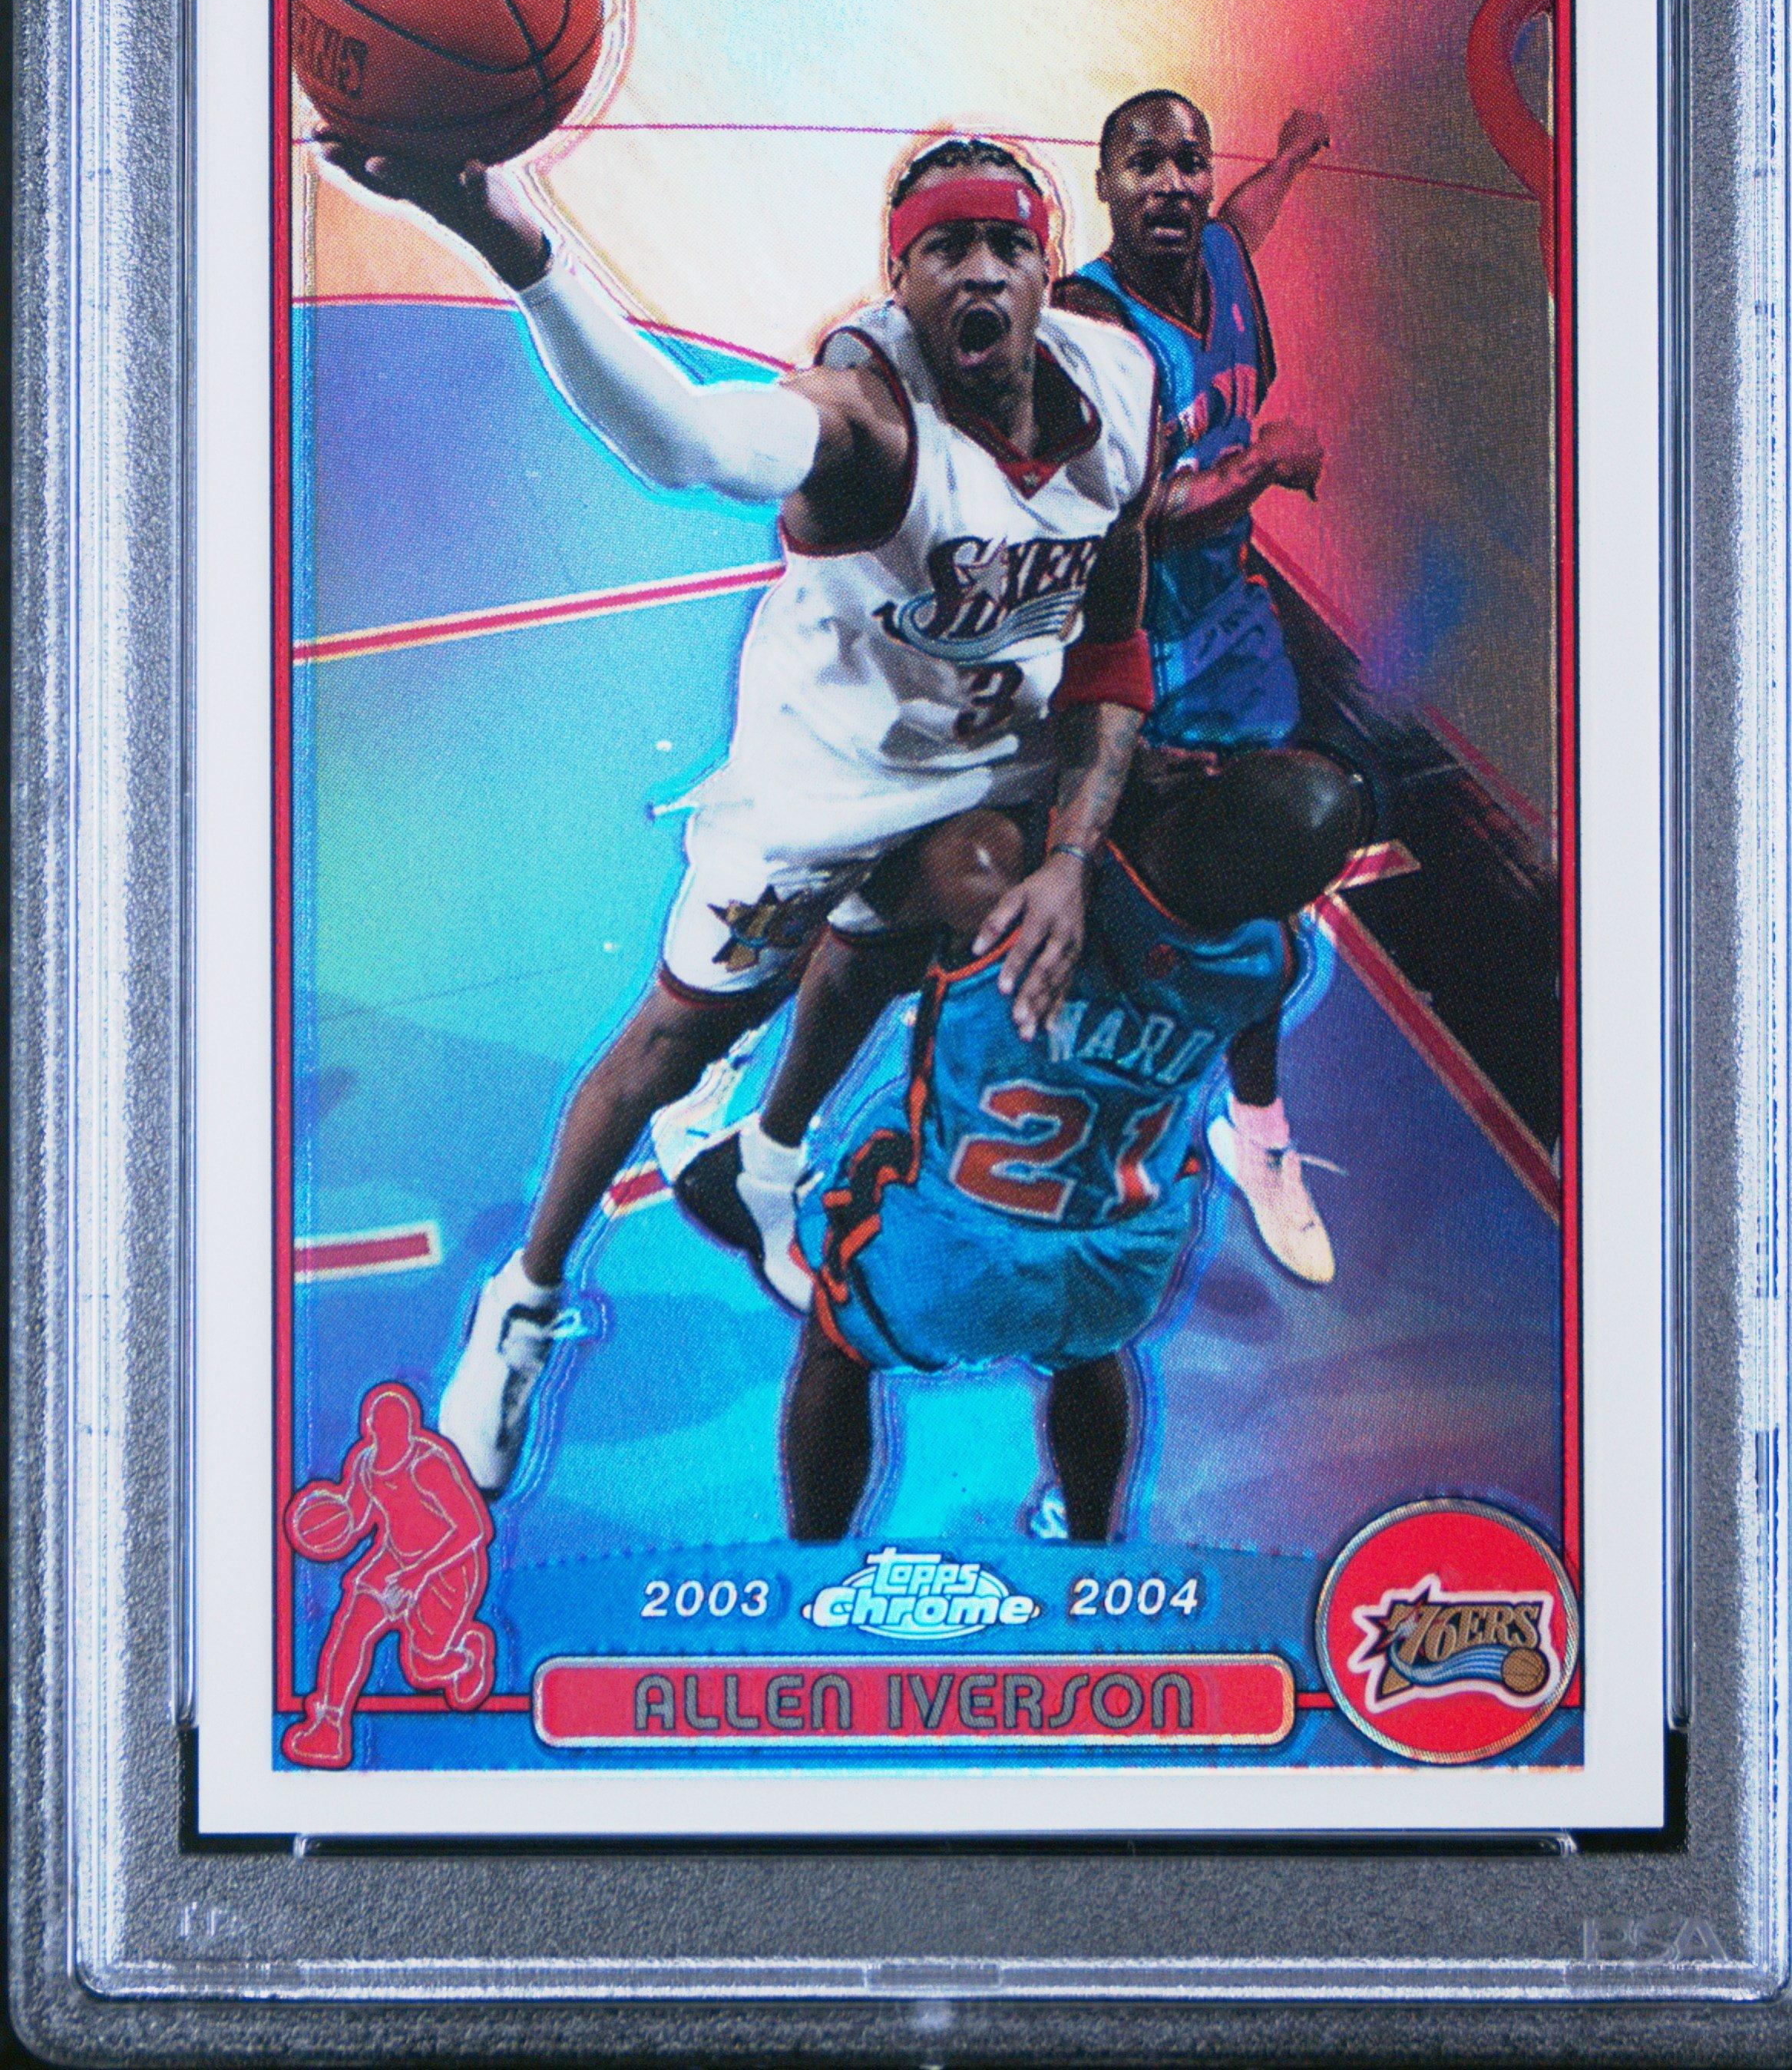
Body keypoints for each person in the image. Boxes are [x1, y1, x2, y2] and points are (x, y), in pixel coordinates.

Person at [316, 131, 1161, 1493]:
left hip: (978, 771)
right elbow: (685, 441)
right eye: (945, 248)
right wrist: (508, 236)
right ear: (901, 282)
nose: (980, 272)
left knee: (926, 930)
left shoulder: (1116, 385)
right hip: (815, 780)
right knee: (670, 1039)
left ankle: (766, 1158)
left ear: (1042, 267)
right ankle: (522, 1299)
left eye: (1006, 243)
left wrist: (1070, 853)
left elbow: (1113, 630)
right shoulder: (862, 418)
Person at [782, 747, 1365, 1542]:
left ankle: (813, 1552)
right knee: (1090, 1352)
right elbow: (1251, 1064)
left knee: (836, 1342)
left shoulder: (995, 869)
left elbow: (855, 882)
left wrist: (1098, 780)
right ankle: (1092, 1537)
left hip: (954, 1251)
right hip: (1120, 1260)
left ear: (1201, 786)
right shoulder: (1277, 955)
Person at [1056, 91, 1351, 1284]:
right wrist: (1261, 467)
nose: (1173, 183)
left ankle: (1257, 1133)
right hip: (1126, 652)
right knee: (1137, 914)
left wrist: (1290, 158)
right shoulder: (1091, 327)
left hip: (1229, 631)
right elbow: (1129, 522)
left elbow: (1245, 220)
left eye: (1188, 160)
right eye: (1145, 163)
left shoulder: (1219, 252)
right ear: (1106, 184)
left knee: (1262, 893)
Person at [280, 1382, 497, 1769]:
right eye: (383, 1431)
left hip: (449, 1567)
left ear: (410, 1431)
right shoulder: (366, 1464)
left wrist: (416, 1577)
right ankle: (330, 1726)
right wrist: (332, 1522)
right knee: (352, 1626)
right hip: (397, 1558)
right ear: (371, 1430)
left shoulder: (428, 1466)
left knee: (422, 1667)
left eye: (399, 1432)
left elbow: (473, 1530)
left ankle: (466, 1658)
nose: (392, 1441)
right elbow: (356, 1519)